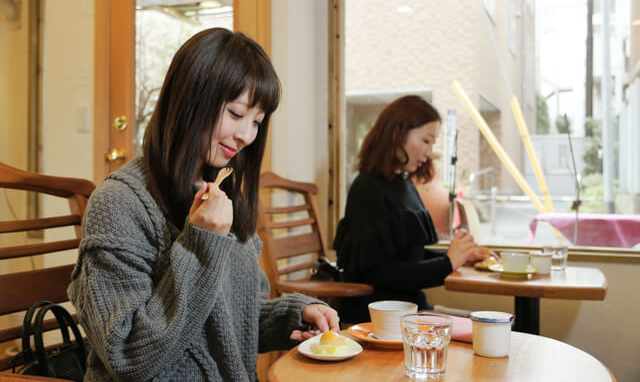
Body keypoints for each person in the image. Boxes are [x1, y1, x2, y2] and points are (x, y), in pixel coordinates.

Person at [68, 28, 339, 381]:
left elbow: (229, 323)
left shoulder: (219, 193)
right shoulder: (119, 203)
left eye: (257, 121)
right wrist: (200, 243)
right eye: (236, 113)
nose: (246, 135)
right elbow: (129, 357)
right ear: (189, 99)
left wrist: (295, 313)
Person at [333, 95, 489, 323]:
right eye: (426, 141)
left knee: (500, 324)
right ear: (397, 134)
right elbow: (378, 274)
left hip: (410, 311)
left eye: (432, 144)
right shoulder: (367, 188)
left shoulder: (403, 184)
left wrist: (460, 257)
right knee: (489, 327)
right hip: (381, 319)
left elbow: (408, 256)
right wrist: (447, 263)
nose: (429, 153)